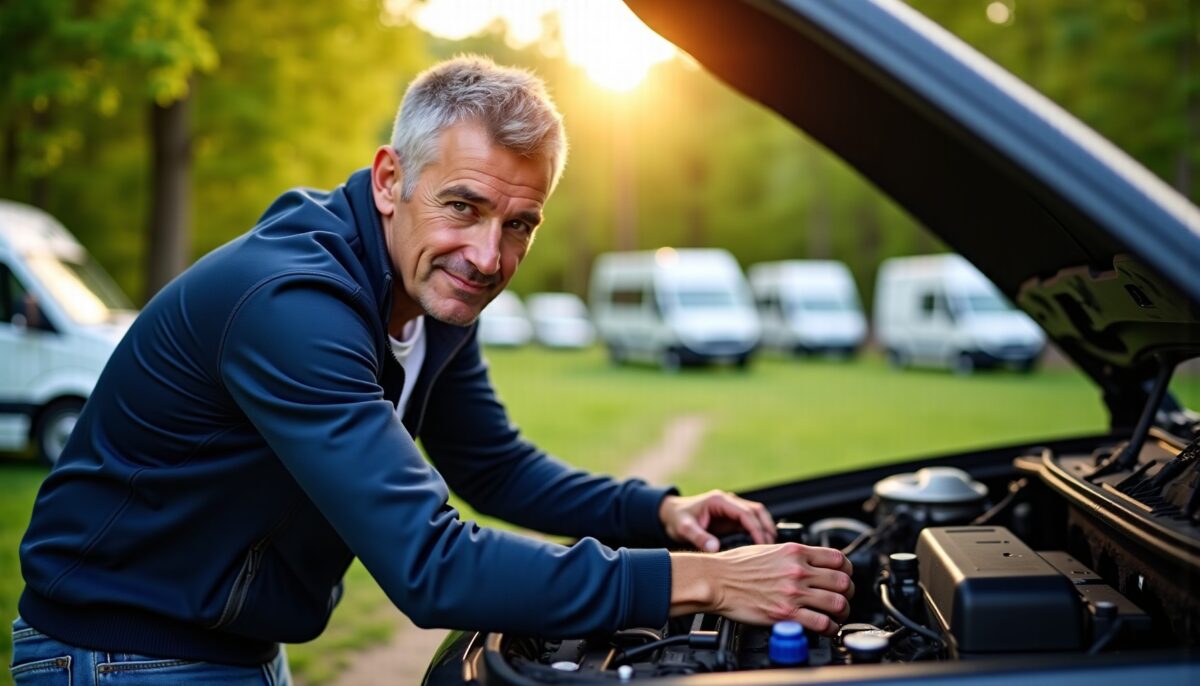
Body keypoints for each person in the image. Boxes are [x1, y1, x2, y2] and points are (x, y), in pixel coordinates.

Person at [13, 56, 853, 684]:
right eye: (464, 206)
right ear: (390, 179)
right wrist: (705, 581)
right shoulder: (292, 307)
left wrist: (660, 512)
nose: (490, 257)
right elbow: (430, 566)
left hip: (222, 642)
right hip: (121, 652)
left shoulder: (425, 291)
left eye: (521, 223)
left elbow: (492, 466)